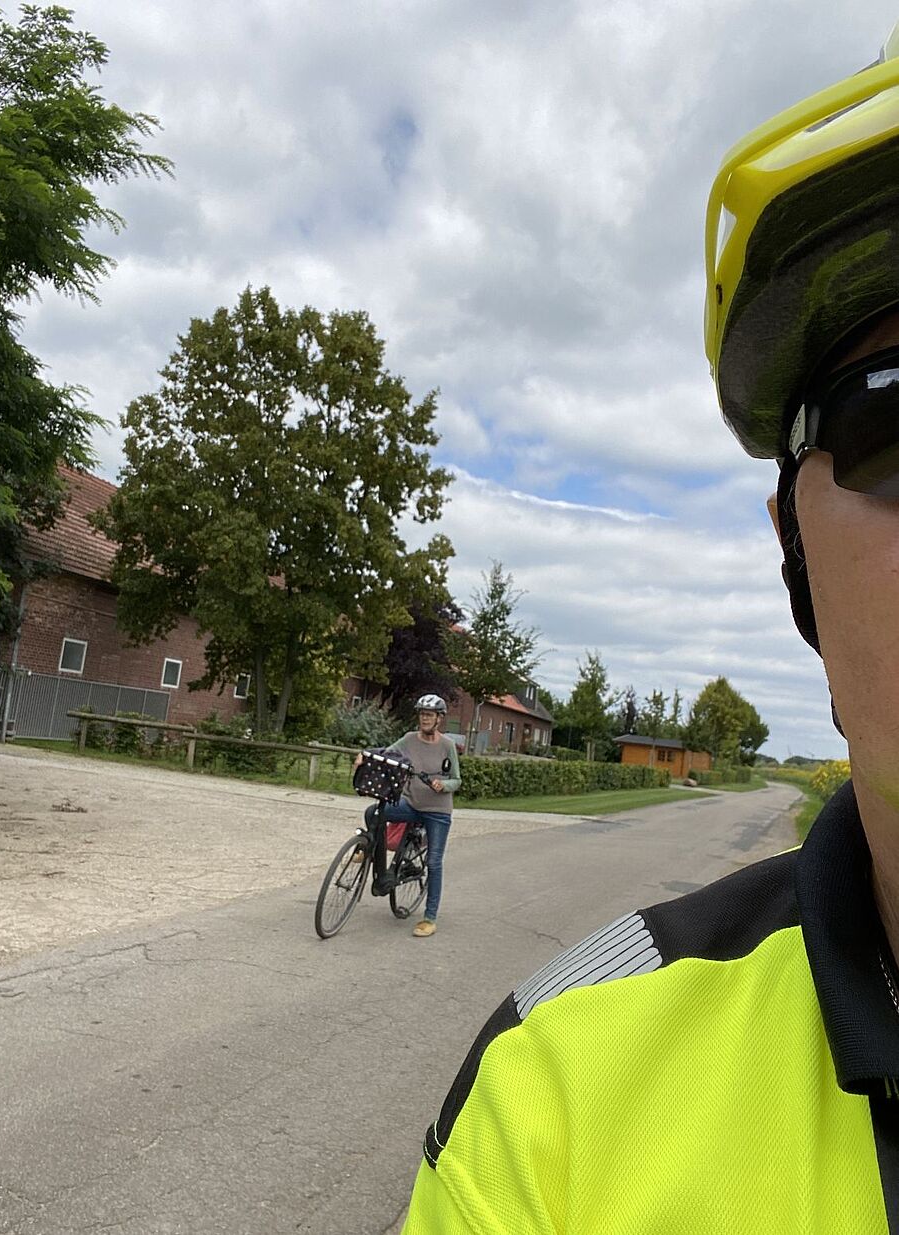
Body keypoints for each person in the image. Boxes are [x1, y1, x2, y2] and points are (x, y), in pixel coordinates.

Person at [402, 24, 899, 1233]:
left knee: (433, 827)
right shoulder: (557, 1092)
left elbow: (456, 768)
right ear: (792, 555)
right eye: (896, 427)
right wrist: (400, 771)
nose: (431, 717)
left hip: (443, 803)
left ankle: (426, 881)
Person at [358, 694, 461, 937]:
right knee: (374, 812)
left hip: (437, 812)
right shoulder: (408, 739)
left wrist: (443, 785)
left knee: (434, 863)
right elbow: (386, 753)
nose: (425, 719)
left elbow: (456, 779)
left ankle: (430, 918)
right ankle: (370, 852)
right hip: (411, 804)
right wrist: (364, 755)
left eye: (430, 715)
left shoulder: (447, 746)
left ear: (439, 719)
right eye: (422, 714)